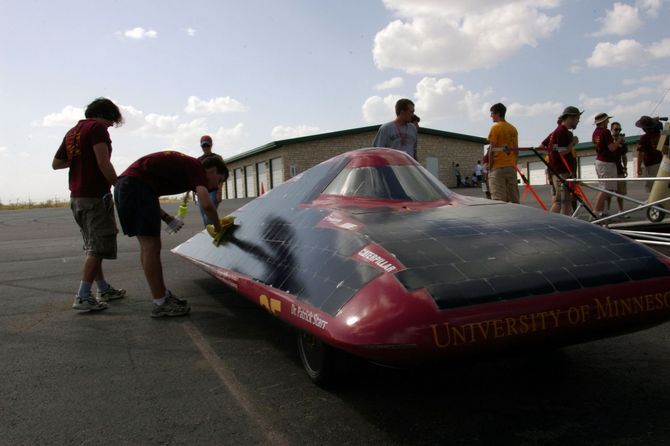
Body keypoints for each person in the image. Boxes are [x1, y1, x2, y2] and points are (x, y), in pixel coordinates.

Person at [114, 151, 229, 318]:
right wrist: (219, 228)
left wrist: (167, 218)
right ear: (211, 170)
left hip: (127, 186)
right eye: (219, 180)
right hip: (134, 187)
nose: (216, 186)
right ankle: (160, 302)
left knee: (149, 246)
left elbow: (148, 190)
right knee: (150, 246)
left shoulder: (186, 167)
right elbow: (207, 205)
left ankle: (162, 295)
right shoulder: (197, 168)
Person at [52, 97, 126, 312]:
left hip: (77, 196)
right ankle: (83, 295)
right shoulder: (97, 128)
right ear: (105, 114)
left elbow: (56, 164)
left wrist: (80, 160)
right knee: (98, 245)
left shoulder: (73, 132)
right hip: (94, 195)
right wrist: (119, 186)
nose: (111, 125)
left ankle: (102, 288)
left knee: (94, 244)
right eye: (111, 120)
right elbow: (103, 162)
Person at [539, 106, 582, 215]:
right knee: (559, 201)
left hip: (561, 171)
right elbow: (562, 152)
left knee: (566, 201)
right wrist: (573, 142)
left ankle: (567, 222)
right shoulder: (561, 132)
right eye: (577, 119)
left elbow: (541, 147)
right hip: (562, 172)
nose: (578, 121)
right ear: (571, 117)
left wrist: (551, 152)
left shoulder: (558, 132)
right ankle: (550, 223)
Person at [182, 135, 227, 227]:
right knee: (205, 221)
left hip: (214, 191)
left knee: (209, 219)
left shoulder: (218, 158)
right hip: (202, 193)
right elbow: (193, 178)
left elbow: (222, 175)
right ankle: (213, 236)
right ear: (201, 146)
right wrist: (187, 195)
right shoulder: (198, 160)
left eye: (207, 145)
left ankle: (219, 228)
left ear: (211, 145)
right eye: (203, 146)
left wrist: (220, 191)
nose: (206, 147)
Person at [592, 112, 624, 217]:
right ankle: (596, 211)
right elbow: (612, 148)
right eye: (607, 120)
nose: (608, 121)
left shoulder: (595, 133)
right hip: (606, 162)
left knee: (604, 187)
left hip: (600, 161)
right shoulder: (605, 132)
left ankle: (602, 211)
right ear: (603, 121)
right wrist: (618, 141)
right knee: (605, 188)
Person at [486, 103, 519, 203]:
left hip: (498, 167)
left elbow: (491, 149)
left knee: (499, 200)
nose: (491, 116)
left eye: (492, 113)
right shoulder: (513, 129)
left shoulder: (495, 128)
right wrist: (514, 164)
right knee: (513, 199)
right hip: (511, 166)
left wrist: (490, 168)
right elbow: (515, 150)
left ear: (498, 113)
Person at [635, 115, 663, 192]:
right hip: (661, 163)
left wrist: (638, 168)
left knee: (652, 189)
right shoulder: (659, 133)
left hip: (651, 165)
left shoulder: (644, 138)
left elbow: (640, 154)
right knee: (661, 186)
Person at [607, 122, 628, 215]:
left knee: (620, 192)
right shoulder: (608, 140)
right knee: (608, 192)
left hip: (619, 169)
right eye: (616, 129)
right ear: (611, 129)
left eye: (619, 129)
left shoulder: (622, 141)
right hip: (609, 168)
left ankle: (621, 211)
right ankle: (606, 212)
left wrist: (625, 167)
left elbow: (624, 156)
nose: (618, 131)